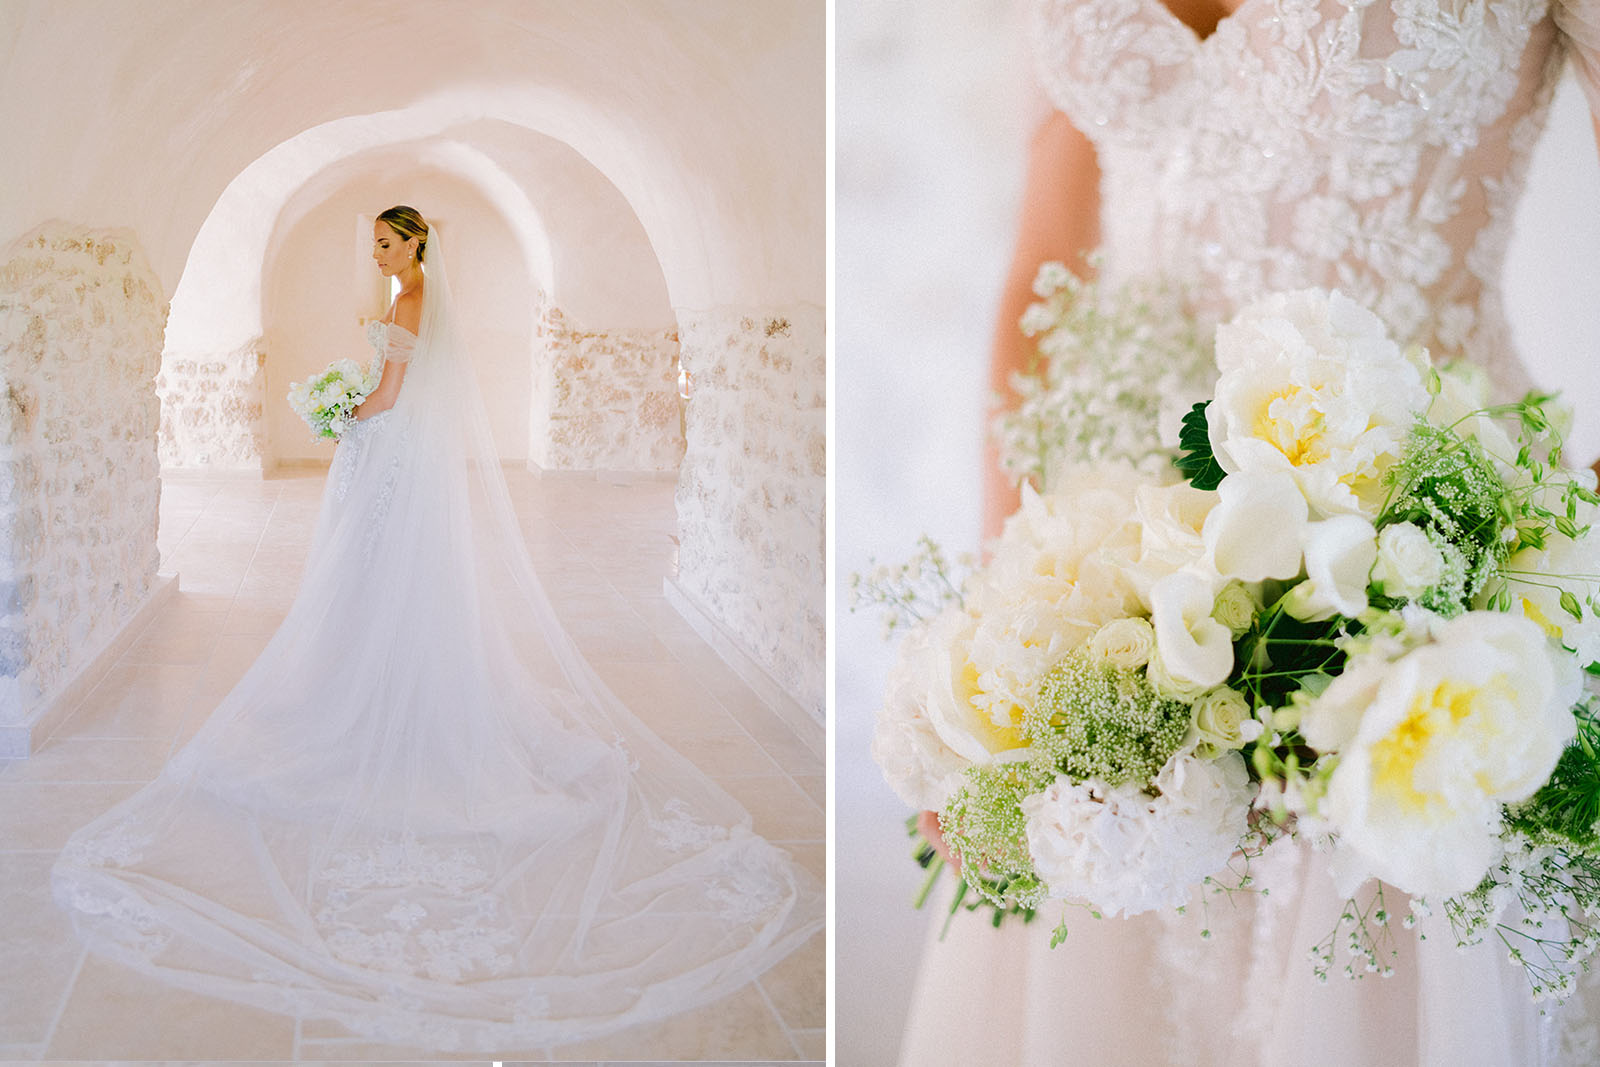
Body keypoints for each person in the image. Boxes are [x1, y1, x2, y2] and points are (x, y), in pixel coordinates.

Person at [898, 0, 1600, 1063]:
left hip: (1426, 576)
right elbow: (1042, 269)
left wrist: (1552, 540)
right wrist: (997, 640)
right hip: (1122, 584)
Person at [50, 205, 821, 1053]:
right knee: (374, 572)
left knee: (372, 569)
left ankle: (372, 683)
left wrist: (344, 414)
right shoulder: (406, 294)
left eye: (389, 240)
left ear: (417, 245)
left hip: (388, 448)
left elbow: (389, 392)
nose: (379, 250)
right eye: (375, 241)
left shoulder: (412, 298)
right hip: (395, 453)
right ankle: (367, 672)